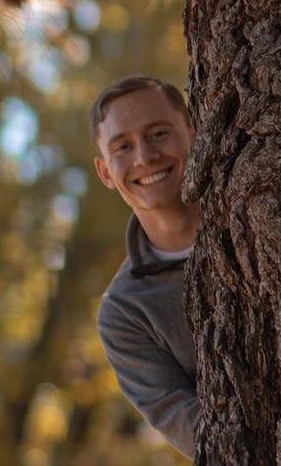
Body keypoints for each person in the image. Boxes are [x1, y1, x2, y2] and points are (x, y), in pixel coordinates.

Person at [91, 75, 200, 458]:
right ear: (105, 172)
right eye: (123, 146)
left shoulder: (274, 216)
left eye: (159, 133)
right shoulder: (124, 312)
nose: (144, 156)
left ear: (193, 134)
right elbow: (196, 433)